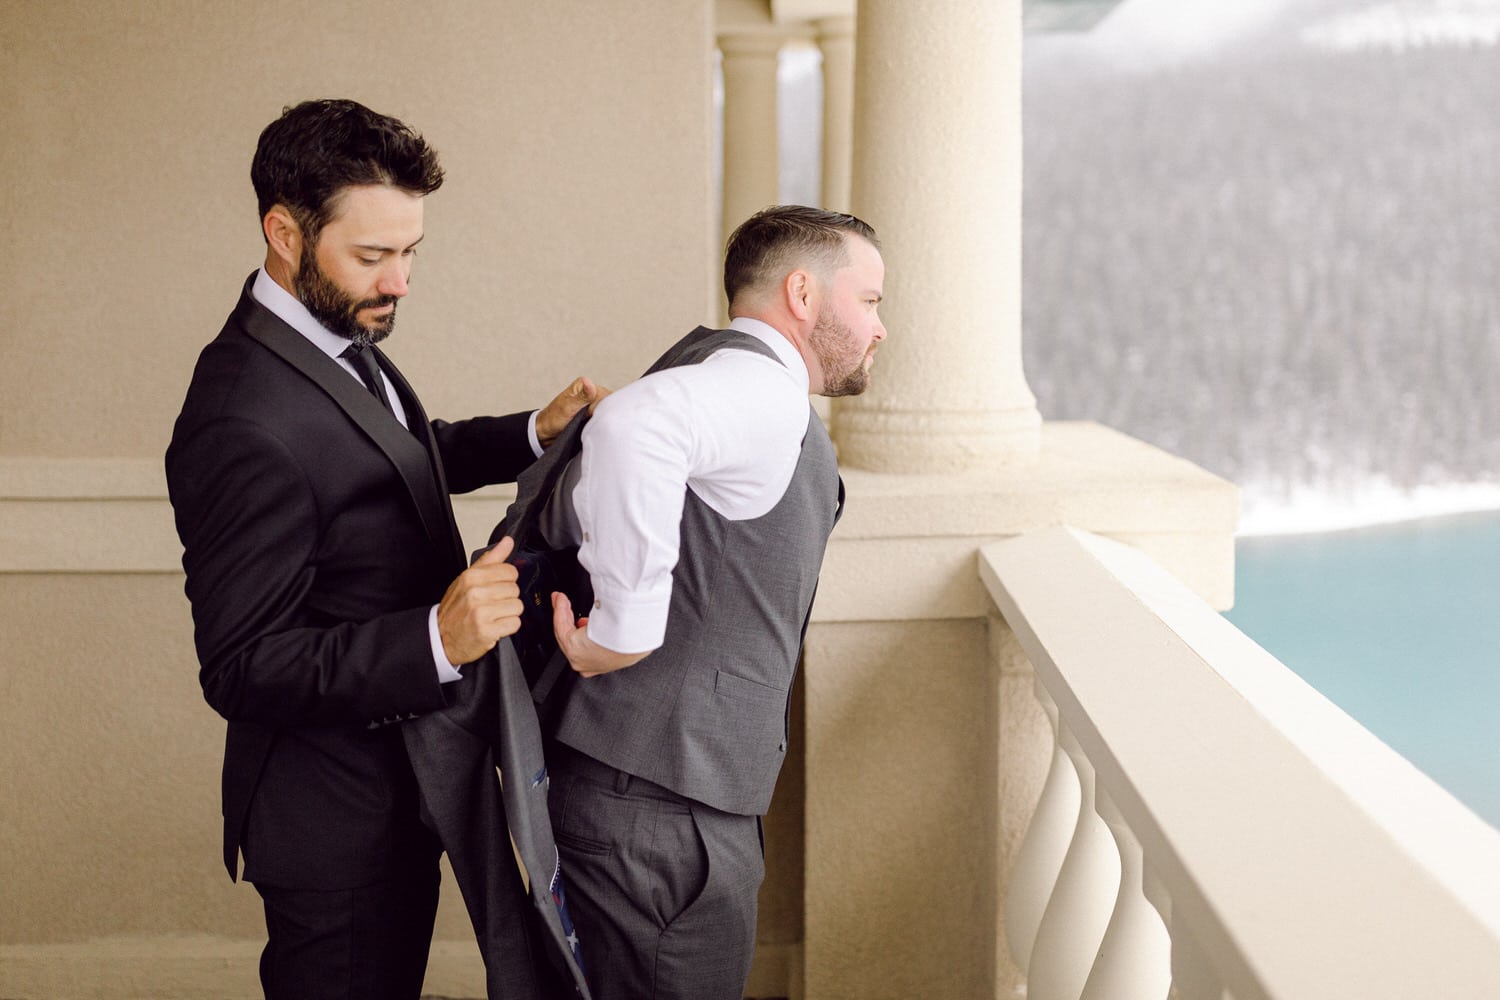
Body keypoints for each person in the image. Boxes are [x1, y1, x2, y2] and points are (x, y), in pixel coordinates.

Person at [164, 98, 601, 1000]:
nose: (399, 282)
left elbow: (392, 455)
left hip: (395, 791)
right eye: (373, 256)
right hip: (332, 824)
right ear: (283, 232)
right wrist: (435, 641)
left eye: (410, 253)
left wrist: (529, 431)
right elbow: (240, 666)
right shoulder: (240, 418)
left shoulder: (328, 337)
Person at [541, 205, 887, 1000]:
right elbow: (635, 426)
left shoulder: (707, 365)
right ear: (803, 293)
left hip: (643, 792)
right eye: (869, 301)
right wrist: (629, 627)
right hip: (663, 817)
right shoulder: (760, 388)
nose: (879, 327)